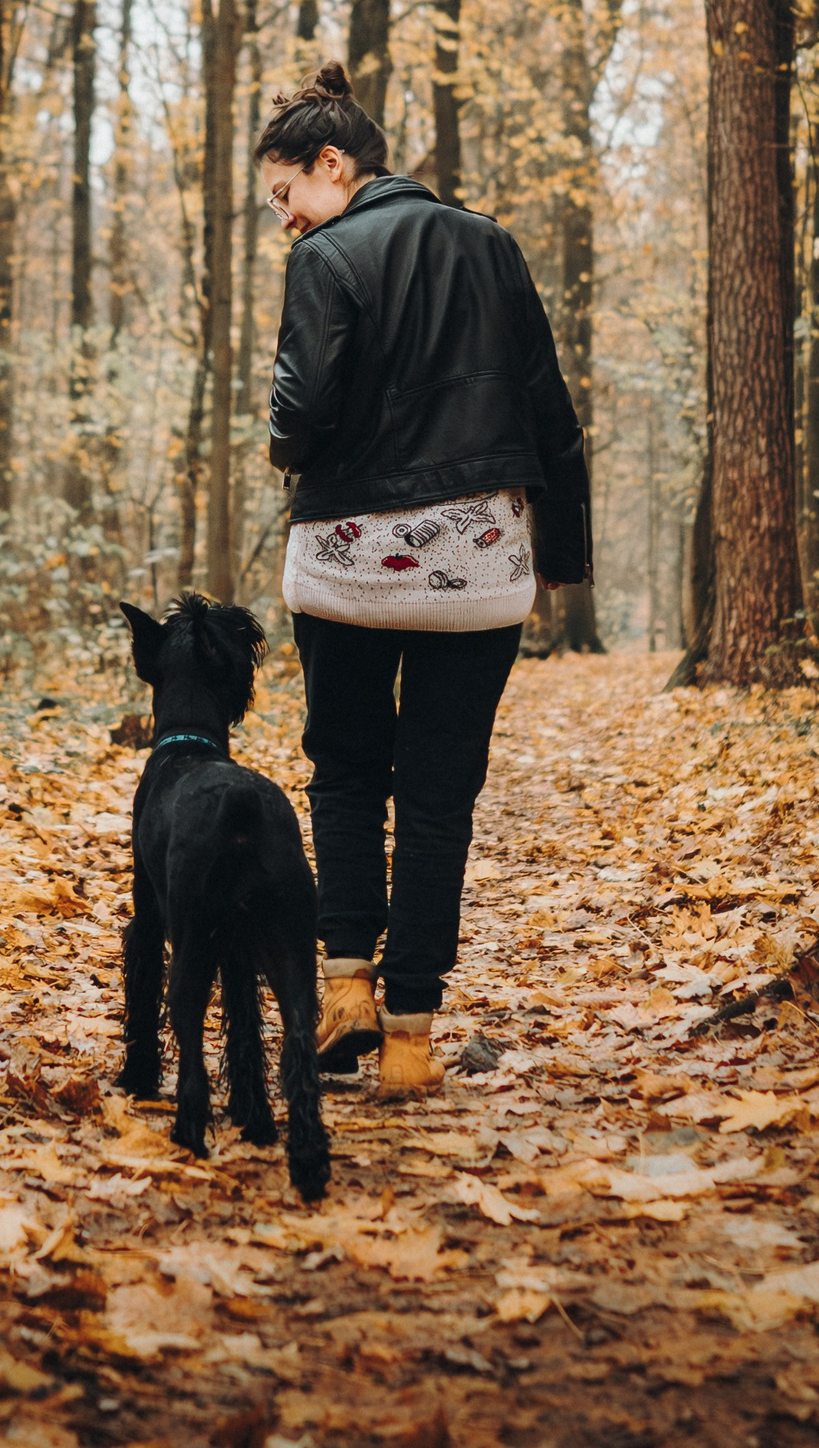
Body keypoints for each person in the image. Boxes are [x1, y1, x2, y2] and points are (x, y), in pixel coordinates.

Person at [259, 61, 591, 1098]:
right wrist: (562, 553)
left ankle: (346, 983)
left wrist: (282, 438)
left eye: (284, 196)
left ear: (331, 163)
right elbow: (547, 404)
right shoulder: (490, 243)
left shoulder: (324, 258)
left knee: (348, 769)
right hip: (478, 560)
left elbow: (301, 413)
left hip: (352, 560)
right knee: (440, 793)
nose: (284, 220)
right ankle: (410, 1036)